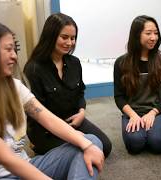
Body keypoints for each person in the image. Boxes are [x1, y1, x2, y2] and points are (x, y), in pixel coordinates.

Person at [0, 19, 104, 179]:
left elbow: (47, 118)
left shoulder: (14, 86)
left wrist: (87, 145)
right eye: (8, 49)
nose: (14, 56)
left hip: (27, 165)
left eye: (14, 49)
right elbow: (7, 159)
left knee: (91, 142)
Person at [23, 13, 112, 157]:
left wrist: (81, 113)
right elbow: (37, 115)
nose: (70, 43)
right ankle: (38, 147)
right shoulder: (33, 69)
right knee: (82, 151)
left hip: (73, 119)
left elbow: (80, 92)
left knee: (104, 146)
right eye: (64, 37)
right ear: (50, 36)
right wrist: (73, 135)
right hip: (47, 129)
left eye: (73, 38)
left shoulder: (74, 63)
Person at [113, 15, 161, 154]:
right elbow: (119, 96)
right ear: (136, 35)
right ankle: (145, 129)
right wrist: (132, 115)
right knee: (135, 144)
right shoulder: (121, 62)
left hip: (157, 111)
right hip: (133, 112)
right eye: (148, 33)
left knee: (158, 143)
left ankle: (159, 129)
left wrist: (154, 113)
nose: (153, 37)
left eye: (156, 33)